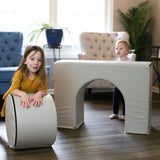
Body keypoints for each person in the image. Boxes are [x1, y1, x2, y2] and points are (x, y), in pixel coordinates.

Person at [1, 45, 48, 117]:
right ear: (25, 61)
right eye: (32, 59)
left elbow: (44, 90)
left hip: (29, 105)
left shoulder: (42, 74)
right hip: (16, 104)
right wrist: (22, 94)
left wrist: (40, 93)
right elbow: (13, 90)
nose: (36, 63)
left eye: (39, 60)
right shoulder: (20, 73)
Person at [109, 40, 132, 121]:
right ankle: (115, 113)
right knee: (115, 98)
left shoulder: (129, 62)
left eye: (121, 48)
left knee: (124, 99)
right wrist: (112, 80)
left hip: (126, 84)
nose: (118, 50)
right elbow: (114, 72)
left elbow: (131, 73)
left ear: (127, 51)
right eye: (116, 48)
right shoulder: (116, 61)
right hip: (117, 84)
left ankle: (125, 114)